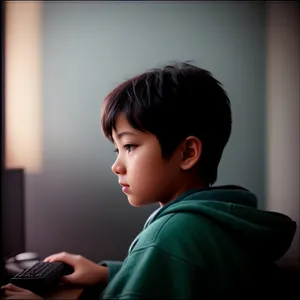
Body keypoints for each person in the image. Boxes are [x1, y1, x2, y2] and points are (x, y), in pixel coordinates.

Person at [2, 62, 296, 299]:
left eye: (130, 146)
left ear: (187, 152)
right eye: (117, 149)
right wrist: (111, 274)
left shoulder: (167, 237)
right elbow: (190, 277)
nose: (117, 165)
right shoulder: (219, 220)